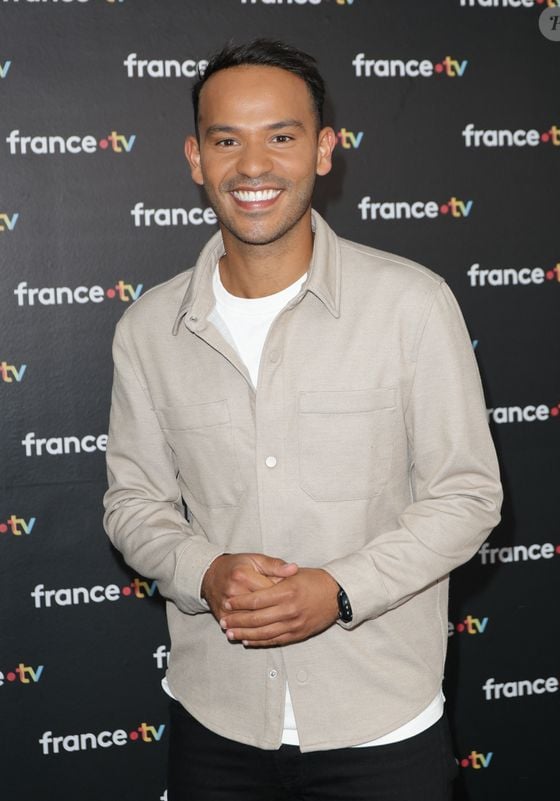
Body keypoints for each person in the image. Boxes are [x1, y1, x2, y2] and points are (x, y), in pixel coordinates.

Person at [103, 38, 502, 801]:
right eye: (227, 139)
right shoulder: (148, 328)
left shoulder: (411, 305)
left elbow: (468, 495)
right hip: (214, 725)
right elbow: (133, 504)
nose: (253, 165)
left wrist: (339, 590)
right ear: (196, 157)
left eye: (281, 136)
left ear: (323, 150)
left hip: (381, 727)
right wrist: (205, 572)